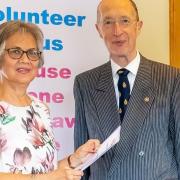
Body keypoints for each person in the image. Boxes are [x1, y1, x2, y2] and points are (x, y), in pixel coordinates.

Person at [73, 0, 180, 179]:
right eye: (108, 22)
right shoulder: (85, 83)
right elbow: (82, 160)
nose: (117, 31)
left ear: (138, 26)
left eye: (124, 21)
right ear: (98, 29)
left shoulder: (171, 79)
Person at [0, 20, 100, 180]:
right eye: (16, 51)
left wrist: (74, 160)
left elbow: (47, 172)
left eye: (32, 53)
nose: (25, 60)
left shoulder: (41, 109)